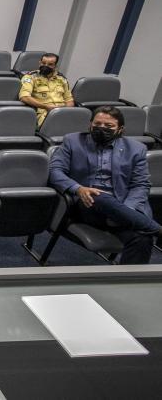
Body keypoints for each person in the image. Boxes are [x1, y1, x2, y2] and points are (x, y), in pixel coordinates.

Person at [49, 106, 158, 264]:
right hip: (87, 205)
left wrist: (126, 210)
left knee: (142, 238)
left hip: (123, 209)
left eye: (109, 126)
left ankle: (128, 284)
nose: (102, 128)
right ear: (90, 125)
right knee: (99, 196)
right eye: (97, 124)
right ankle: (157, 230)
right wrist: (78, 188)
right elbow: (55, 172)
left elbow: (141, 184)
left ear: (120, 129)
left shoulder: (136, 149)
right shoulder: (73, 141)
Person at [19, 52, 74, 126]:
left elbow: (69, 101)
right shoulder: (30, 77)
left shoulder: (62, 79)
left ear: (55, 66)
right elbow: (24, 97)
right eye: (43, 63)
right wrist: (46, 107)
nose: (46, 66)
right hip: (44, 114)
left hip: (63, 113)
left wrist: (64, 111)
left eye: (50, 64)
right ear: (39, 63)